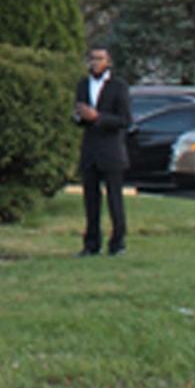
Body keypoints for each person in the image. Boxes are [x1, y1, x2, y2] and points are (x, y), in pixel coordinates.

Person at [74, 44, 132, 257]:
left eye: (100, 59)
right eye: (92, 59)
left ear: (108, 62)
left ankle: (117, 243)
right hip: (90, 149)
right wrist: (79, 116)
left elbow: (124, 120)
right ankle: (91, 243)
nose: (95, 63)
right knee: (90, 199)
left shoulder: (118, 86)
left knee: (114, 198)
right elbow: (79, 112)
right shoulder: (83, 84)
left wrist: (98, 117)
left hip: (111, 150)